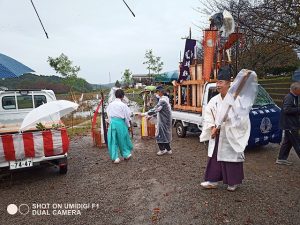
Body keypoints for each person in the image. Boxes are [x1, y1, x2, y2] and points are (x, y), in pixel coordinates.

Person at [199, 67, 251, 191]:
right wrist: (212, 127)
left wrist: (229, 121)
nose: (218, 85)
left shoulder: (237, 100)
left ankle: (233, 182)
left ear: (228, 83)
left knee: (231, 159)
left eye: (221, 82)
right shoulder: (214, 100)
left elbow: (243, 119)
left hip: (231, 135)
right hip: (217, 135)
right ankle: (212, 181)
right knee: (215, 158)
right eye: (217, 82)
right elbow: (208, 114)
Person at [142, 86, 172, 156]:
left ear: (160, 92)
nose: (156, 93)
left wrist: (144, 114)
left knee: (159, 135)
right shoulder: (165, 99)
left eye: (157, 92)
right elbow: (159, 111)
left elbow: (155, 110)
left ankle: (162, 150)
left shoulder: (162, 101)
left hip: (163, 121)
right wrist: (150, 116)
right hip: (165, 121)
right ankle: (168, 149)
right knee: (165, 135)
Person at [276, 82, 300, 165]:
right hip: (290, 125)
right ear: (295, 90)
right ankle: (281, 158)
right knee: (297, 143)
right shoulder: (289, 97)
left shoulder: (294, 97)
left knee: (288, 142)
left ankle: (281, 158)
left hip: (290, 124)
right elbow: (287, 109)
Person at [106, 89, 133, 164]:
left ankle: (115, 158)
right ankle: (126, 154)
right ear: (123, 96)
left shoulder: (110, 104)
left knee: (113, 140)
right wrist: (128, 125)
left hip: (113, 123)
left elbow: (108, 114)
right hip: (121, 123)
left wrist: (111, 121)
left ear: (115, 95)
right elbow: (127, 115)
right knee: (123, 139)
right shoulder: (123, 105)